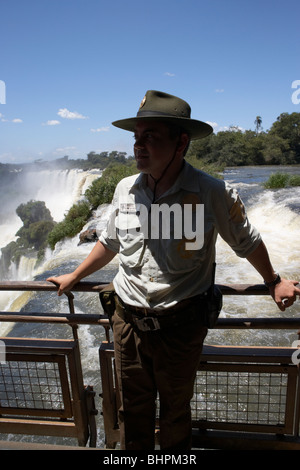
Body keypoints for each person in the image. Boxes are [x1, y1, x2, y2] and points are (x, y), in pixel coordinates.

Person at [47, 90, 300, 450]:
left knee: (175, 413)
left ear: (181, 142)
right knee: (132, 410)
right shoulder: (125, 189)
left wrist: (273, 281)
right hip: (128, 324)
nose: (139, 146)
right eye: (136, 137)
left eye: (150, 136)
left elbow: (247, 241)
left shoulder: (211, 193)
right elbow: (110, 243)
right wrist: (75, 276)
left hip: (181, 328)